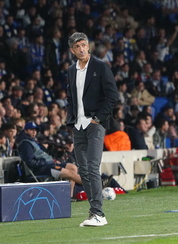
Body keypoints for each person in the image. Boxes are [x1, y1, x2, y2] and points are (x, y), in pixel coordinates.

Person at [66, 32, 118, 227]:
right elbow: (70, 97)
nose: (81, 48)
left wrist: (98, 118)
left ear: (88, 46)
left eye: (83, 45)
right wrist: (70, 119)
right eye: (77, 46)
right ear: (72, 50)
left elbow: (112, 95)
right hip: (78, 125)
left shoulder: (100, 67)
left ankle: (98, 214)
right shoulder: (71, 70)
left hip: (95, 124)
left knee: (93, 167)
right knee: (84, 170)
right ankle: (94, 212)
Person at [16, 122, 82, 197]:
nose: (34, 132)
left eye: (35, 130)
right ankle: (91, 186)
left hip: (48, 165)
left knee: (72, 167)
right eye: (31, 130)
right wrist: (44, 161)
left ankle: (70, 195)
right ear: (26, 131)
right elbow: (30, 162)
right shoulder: (25, 144)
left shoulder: (32, 141)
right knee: (70, 174)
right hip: (41, 169)